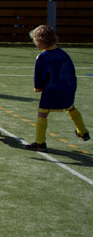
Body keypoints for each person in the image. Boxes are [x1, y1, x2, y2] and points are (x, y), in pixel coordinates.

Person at [24, 24, 90, 152]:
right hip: (68, 87)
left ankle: (40, 142)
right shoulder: (63, 53)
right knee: (70, 107)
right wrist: (72, 85)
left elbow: (40, 75)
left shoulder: (42, 57)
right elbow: (71, 71)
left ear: (40, 41)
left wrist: (39, 87)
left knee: (42, 113)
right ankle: (83, 131)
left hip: (52, 89)